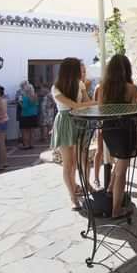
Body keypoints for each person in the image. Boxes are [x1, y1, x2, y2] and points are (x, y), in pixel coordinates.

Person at [97, 54, 137, 219]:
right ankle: (116, 210)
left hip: (109, 130)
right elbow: (135, 112)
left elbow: (100, 110)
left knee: (119, 163)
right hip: (126, 131)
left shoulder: (102, 88)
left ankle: (109, 189)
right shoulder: (132, 88)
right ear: (126, 69)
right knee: (122, 169)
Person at [51, 58, 94, 210]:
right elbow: (76, 105)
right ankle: (72, 196)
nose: (81, 71)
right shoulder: (56, 88)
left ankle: (77, 187)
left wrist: (89, 103)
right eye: (78, 69)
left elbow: (87, 102)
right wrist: (91, 103)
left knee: (75, 162)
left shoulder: (80, 84)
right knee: (67, 164)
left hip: (78, 121)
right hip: (65, 122)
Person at [18, 81, 39, 150]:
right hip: (34, 115)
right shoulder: (35, 96)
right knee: (32, 131)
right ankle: (32, 144)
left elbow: (24, 107)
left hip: (25, 115)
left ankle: (26, 145)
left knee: (25, 132)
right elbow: (36, 105)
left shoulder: (24, 97)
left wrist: (20, 102)